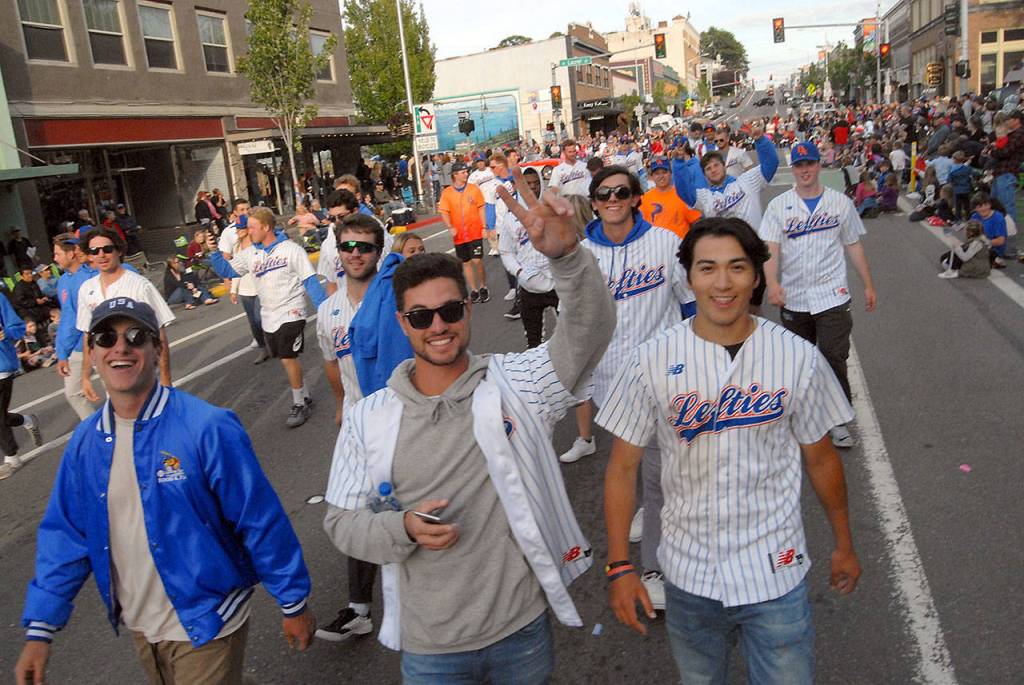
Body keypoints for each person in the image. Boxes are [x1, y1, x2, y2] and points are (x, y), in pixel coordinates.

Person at [322, 170, 616, 683]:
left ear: (468, 311)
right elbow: (341, 520)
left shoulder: (516, 383)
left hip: (520, 630)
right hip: (429, 648)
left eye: (450, 309)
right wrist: (401, 528)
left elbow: (589, 331)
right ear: (401, 323)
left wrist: (567, 259)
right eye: (420, 317)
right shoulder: (369, 417)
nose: (438, 325)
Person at [600, 217, 861, 685]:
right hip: (688, 575)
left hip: (775, 572)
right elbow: (622, 468)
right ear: (689, 277)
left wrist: (843, 543)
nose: (723, 283)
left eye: (737, 267)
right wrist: (621, 566)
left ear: (757, 276)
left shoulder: (797, 356)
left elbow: (822, 458)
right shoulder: (651, 359)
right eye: (708, 268)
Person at [15, 298, 315, 685]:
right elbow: (66, 534)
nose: (121, 348)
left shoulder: (208, 427)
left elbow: (259, 519)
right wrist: (41, 629)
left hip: (209, 619)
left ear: (157, 349)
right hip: (142, 626)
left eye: (136, 336)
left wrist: (292, 601)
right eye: (106, 338)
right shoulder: (85, 443)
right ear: (91, 354)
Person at [562, 165, 695, 611]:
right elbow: (574, 322)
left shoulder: (665, 243)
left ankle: (655, 567)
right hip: (610, 384)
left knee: (658, 473)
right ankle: (650, 515)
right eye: (604, 194)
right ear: (594, 202)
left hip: (664, 377)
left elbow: (690, 302)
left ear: (637, 197)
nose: (613, 199)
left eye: (622, 192)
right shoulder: (581, 255)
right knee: (631, 463)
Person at [759, 140, 877, 448]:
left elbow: (853, 243)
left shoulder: (839, 203)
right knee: (801, 359)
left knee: (833, 355)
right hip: (795, 295)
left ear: (818, 165)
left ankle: (838, 419)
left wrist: (867, 284)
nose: (804, 170)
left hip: (832, 293)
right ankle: (806, 414)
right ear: (794, 169)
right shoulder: (779, 206)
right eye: (799, 165)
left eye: (809, 164)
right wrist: (772, 283)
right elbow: (771, 248)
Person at [313, 214, 387, 644]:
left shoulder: (394, 295)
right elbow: (329, 359)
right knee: (357, 513)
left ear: (379, 252)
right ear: (337, 252)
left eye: (365, 246)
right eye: (348, 246)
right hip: (359, 425)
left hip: (403, 418)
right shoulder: (329, 310)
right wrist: (341, 403)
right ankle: (360, 609)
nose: (356, 254)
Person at [209, 207, 327, 427]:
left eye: (252, 227)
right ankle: (304, 393)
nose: (247, 231)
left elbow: (310, 281)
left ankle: (299, 403)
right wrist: (214, 252)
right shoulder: (250, 254)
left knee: (287, 357)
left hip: (292, 311)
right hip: (269, 315)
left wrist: (325, 312)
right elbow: (227, 271)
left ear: (266, 227)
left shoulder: (291, 250)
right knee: (285, 358)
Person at [76, 228, 175, 406]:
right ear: (89, 256)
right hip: (112, 377)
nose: (101, 255)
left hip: (142, 372)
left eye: (107, 249)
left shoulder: (139, 285)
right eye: (94, 251)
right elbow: (87, 335)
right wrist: (85, 377)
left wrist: (166, 379)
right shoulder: (86, 289)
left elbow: (160, 334)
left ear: (119, 250)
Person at [498, 167, 558, 347]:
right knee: (533, 342)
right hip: (529, 285)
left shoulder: (553, 210)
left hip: (557, 283)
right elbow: (506, 251)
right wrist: (519, 272)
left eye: (535, 183)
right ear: (518, 186)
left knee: (572, 334)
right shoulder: (510, 218)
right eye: (527, 183)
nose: (532, 187)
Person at [52, 233, 97, 419]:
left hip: (98, 344)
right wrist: (62, 352)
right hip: (77, 349)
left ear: (71, 254)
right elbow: (67, 319)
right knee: (73, 393)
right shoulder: (63, 281)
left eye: (57, 254)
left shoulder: (91, 276)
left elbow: (75, 320)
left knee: (117, 389)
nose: (54, 258)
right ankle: (97, 431)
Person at [0, 295, 42, 480]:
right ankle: (26, 420)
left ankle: (12, 458)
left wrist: (6, 333)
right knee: (0, 415)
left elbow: (17, 327)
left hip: (1, 367)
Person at [438, 161, 490, 303]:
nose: (466, 174)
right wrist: (450, 226)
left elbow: (481, 207)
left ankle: (483, 286)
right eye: (463, 172)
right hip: (460, 235)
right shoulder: (447, 193)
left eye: (466, 172)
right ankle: (473, 290)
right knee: (466, 262)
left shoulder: (473, 189)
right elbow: (444, 211)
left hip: (475, 231)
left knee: (477, 260)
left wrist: (484, 227)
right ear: (455, 175)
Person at [639, 157, 702, 240]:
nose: (661, 176)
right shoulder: (645, 199)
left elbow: (697, 223)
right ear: (652, 176)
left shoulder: (682, 194)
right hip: (655, 248)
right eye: (657, 173)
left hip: (680, 248)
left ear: (671, 174)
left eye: (664, 172)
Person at [969, 191, 1008, 268]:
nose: (983, 208)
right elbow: (970, 235)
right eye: (979, 206)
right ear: (975, 208)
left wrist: (984, 242)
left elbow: (1001, 241)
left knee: (967, 261)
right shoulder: (974, 216)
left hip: (993, 249)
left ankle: (996, 259)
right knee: (946, 258)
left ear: (990, 205)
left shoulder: (998, 217)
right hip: (976, 246)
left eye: (986, 205)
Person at [13, 267, 56, 331]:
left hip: (38, 307)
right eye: (27, 274)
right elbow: (21, 301)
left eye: (31, 273)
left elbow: (39, 294)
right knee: (31, 324)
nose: (30, 275)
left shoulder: (33, 283)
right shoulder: (19, 287)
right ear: (21, 276)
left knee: (55, 312)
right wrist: (35, 302)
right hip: (27, 310)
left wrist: (43, 298)